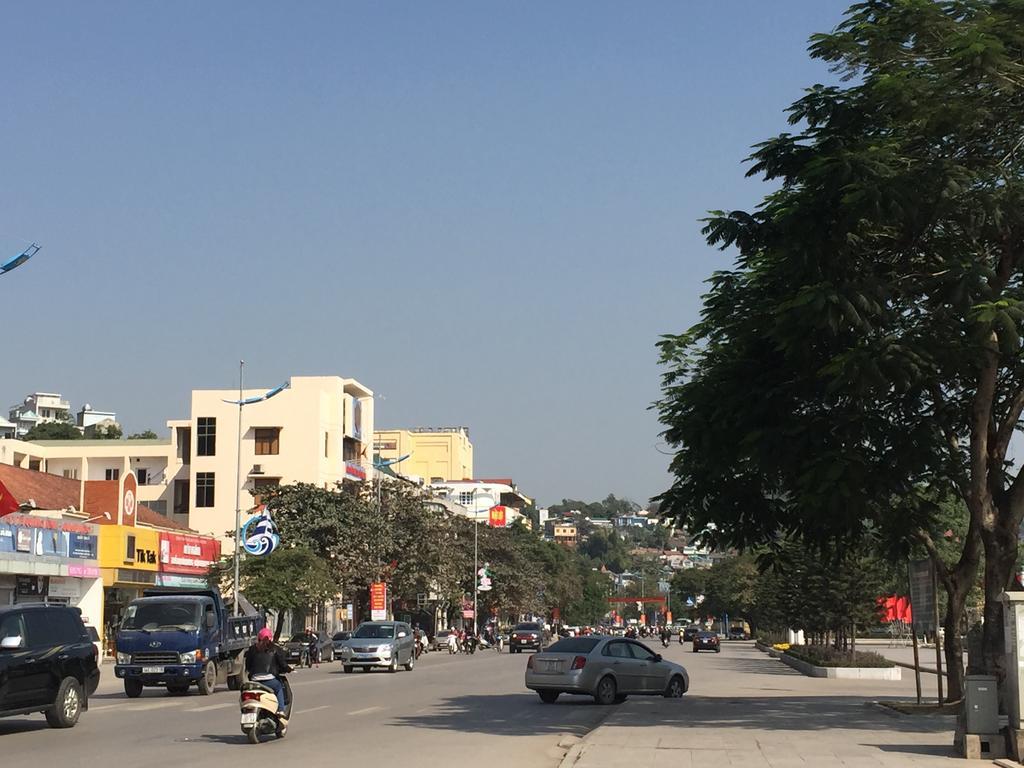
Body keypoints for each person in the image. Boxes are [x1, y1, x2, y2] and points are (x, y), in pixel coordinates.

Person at [245, 627, 292, 716]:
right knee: (279, 688)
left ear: (259, 638)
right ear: (270, 639)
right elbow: (283, 664)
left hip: (255, 681)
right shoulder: (274, 649)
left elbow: (248, 666)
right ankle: (281, 709)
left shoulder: (252, 649)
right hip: (269, 681)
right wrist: (289, 669)